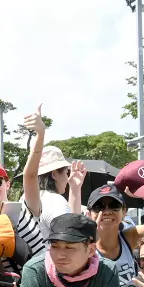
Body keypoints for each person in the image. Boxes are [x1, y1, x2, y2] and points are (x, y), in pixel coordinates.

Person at [20, 104, 86, 244]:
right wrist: (41, 134)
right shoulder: (55, 201)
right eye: (66, 173)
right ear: (55, 174)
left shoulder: (31, 198)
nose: (67, 178)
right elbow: (72, 234)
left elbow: (71, 223)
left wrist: (75, 189)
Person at [0, 161, 45, 264]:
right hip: (12, 279)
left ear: (7, 184)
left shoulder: (27, 206)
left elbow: (31, 175)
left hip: (43, 275)